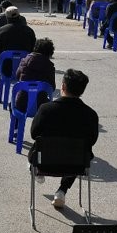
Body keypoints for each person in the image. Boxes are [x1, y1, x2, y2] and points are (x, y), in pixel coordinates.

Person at [29, 69, 99, 209]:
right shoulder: (90, 114)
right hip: (77, 165)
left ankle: (36, 172)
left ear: (63, 86)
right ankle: (62, 191)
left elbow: (34, 133)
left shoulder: (45, 109)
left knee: (36, 149)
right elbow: (92, 140)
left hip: (45, 163)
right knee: (77, 151)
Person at [0, 6, 36, 100]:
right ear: (19, 16)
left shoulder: (2, 30)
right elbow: (33, 49)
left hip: (6, 68)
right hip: (24, 67)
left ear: (7, 18)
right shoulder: (29, 31)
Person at [13, 37, 56, 113]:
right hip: (41, 104)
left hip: (21, 103)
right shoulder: (50, 67)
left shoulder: (24, 61)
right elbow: (52, 87)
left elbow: (17, 76)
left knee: (11, 105)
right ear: (50, 54)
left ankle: (16, 124)